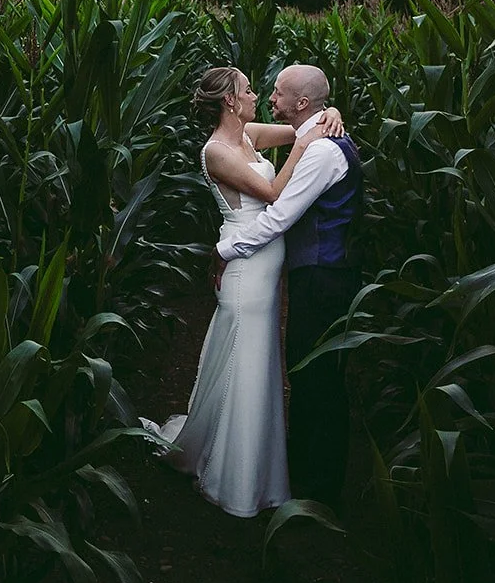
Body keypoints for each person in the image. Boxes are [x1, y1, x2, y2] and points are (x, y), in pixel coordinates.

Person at [141, 66, 343, 518]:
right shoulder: (215, 151)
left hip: (263, 265)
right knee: (245, 364)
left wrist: (329, 115)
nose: (256, 95)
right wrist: (309, 144)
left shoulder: (249, 133)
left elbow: (299, 126)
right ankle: (236, 479)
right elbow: (272, 191)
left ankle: (254, 466)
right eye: (250, 90)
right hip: (245, 268)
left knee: (259, 363)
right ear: (230, 101)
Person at [218, 63, 363, 509]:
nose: (269, 98)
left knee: (312, 376)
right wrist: (325, 113)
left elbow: (279, 215)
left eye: (278, 93)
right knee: (311, 372)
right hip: (324, 272)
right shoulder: (313, 137)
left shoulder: (319, 152)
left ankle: (316, 486)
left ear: (301, 103)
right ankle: (309, 472)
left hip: (322, 276)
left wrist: (224, 251)